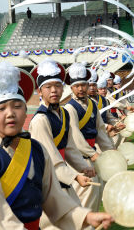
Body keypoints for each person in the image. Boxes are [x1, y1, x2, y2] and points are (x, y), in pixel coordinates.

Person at [0, 62, 114, 230]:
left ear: (25, 110)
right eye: (1, 108)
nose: (10, 113)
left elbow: (54, 200)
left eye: (17, 106)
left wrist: (86, 216)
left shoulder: (38, 150)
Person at [29, 59, 97, 230]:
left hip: (61, 182)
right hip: (48, 183)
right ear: (40, 91)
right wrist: (74, 177)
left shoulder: (64, 114)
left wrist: (83, 167)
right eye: (48, 87)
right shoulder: (40, 120)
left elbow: (70, 147)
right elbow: (50, 158)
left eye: (57, 86)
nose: (54, 90)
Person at [64, 63, 115, 212]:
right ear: (72, 88)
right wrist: (94, 155)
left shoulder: (92, 104)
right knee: (84, 197)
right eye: (76, 86)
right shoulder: (69, 108)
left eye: (83, 85)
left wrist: (111, 152)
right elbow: (75, 136)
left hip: (94, 156)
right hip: (80, 159)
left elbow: (100, 131)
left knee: (96, 195)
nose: (81, 89)